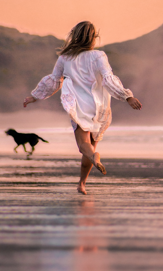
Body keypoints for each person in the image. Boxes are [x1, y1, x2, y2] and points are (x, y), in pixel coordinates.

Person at [23, 21, 142, 194]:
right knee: (91, 146)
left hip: (79, 105)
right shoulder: (99, 56)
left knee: (84, 146)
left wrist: (34, 96)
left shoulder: (65, 57)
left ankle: (93, 160)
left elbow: (55, 81)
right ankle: (82, 184)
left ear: (75, 36)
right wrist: (127, 96)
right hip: (99, 105)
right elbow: (108, 78)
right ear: (94, 38)